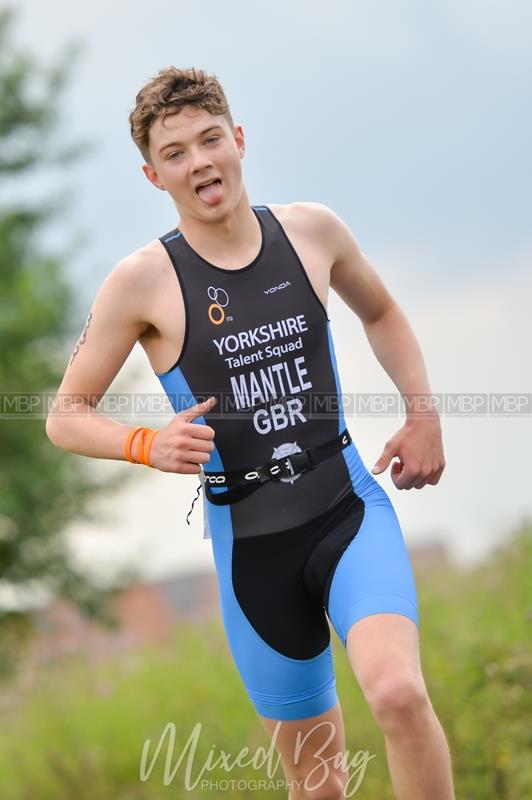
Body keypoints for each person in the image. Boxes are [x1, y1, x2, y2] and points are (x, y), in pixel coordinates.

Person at [46, 66, 455, 799]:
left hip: (347, 508)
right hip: (253, 554)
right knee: (320, 784)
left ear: (238, 140)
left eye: (210, 140)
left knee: (397, 693)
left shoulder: (311, 231)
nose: (199, 161)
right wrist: (147, 443)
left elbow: (383, 312)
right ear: (153, 174)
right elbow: (64, 416)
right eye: (176, 152)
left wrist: (422, 413)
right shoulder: (140, 282)